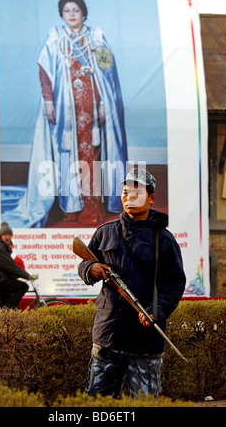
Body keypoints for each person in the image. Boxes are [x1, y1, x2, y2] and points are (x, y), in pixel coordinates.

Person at [2, 0, 127, 228]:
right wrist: (48, 101)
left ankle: (91, 209)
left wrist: (103, 103)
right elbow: (44, 71)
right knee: (66, 156)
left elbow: (107, 72)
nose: (71, 14)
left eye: (76, 10)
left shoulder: (97, 36)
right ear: (62, 14)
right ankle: (71, 208)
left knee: (91, 156)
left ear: (84, 13)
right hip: (63, 109)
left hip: (90, 106)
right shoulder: (54, 37)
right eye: (67, 10)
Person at [78, 167, 186, 398]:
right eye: (126, 193)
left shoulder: (164, 241)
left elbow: (174, 284)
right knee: (96, 405)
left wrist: (156, 311)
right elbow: (84, 263)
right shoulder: (105, 233)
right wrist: (90, 269)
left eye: (137, 193)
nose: (129, 198)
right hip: (107, 337)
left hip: (144, 342)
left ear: (151, 198)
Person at [0, 222, 34, 309]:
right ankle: (6, 308)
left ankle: (5, 312)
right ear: (0, 236)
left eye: (9, 234)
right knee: (23, 287)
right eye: (5, 235)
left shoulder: (2, 246)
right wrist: (27, 276)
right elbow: (11, 266)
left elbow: (10, 266)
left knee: (11, 305)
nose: (7, 237)